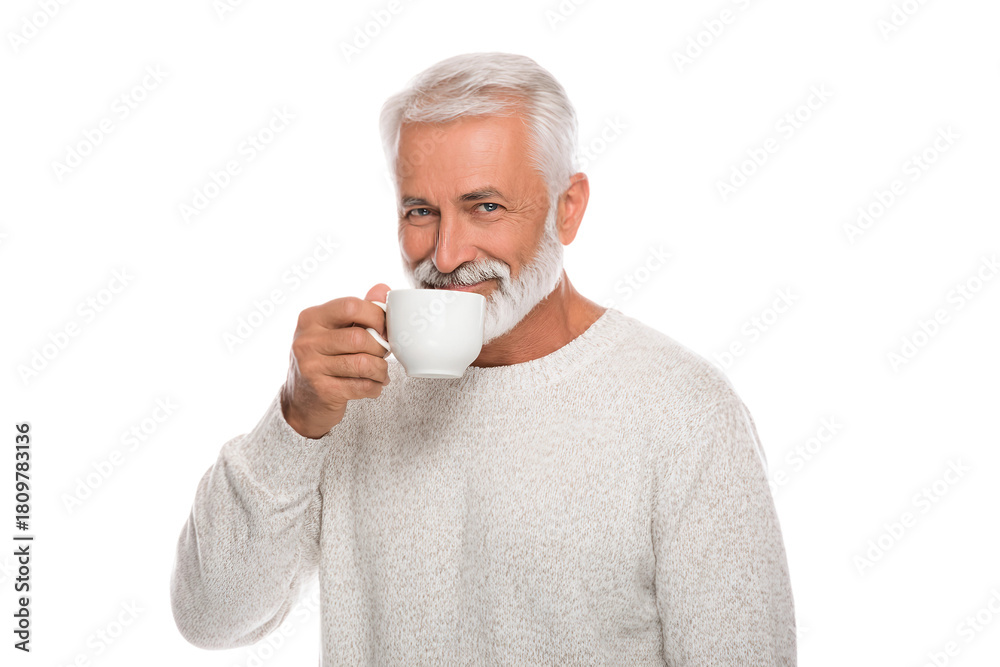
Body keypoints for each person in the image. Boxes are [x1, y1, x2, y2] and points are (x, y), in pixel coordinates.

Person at [170, 51, 796, 665]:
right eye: (421, 212)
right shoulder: (348, 397)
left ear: (568, 208)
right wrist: (295, 420)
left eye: (485, 207)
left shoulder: (684, 412)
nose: (445, 256)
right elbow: (210, 617)